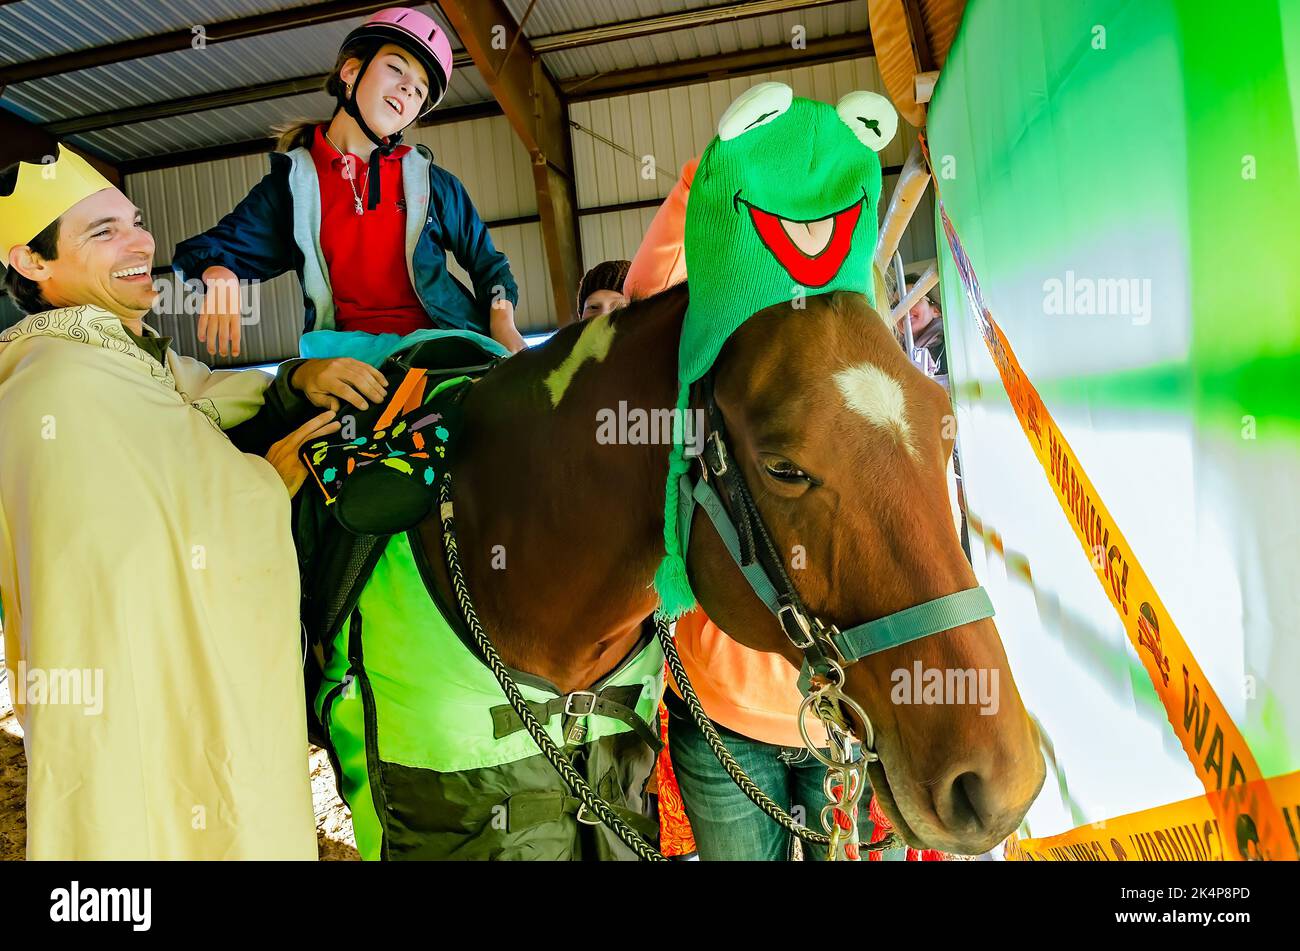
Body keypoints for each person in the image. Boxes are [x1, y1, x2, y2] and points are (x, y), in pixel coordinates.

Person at [0, 145, 352, 859]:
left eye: (135, 222)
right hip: (126, 704)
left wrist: (299, 377)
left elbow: (204, 398)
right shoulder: (56, 387)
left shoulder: (131, 362)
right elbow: (136, 548)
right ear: (32, 262)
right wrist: (262, 486)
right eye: (103, 233)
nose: (141, 242)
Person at [171, 7, 527, 359]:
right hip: (347, 358)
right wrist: (219, 275)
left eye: (419, 91)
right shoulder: (292, 187)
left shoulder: (436, 184)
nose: (407, 89)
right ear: (351, 72)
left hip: (446, 347)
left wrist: (502, 324)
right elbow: (205, 252)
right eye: (395, 68)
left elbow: (489, 266)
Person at [898, 271, 946, 380]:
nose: (902, 309)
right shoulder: (892, 351)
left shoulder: (950, 347)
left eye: (912, 299)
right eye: (896, 304)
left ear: (936, 310)